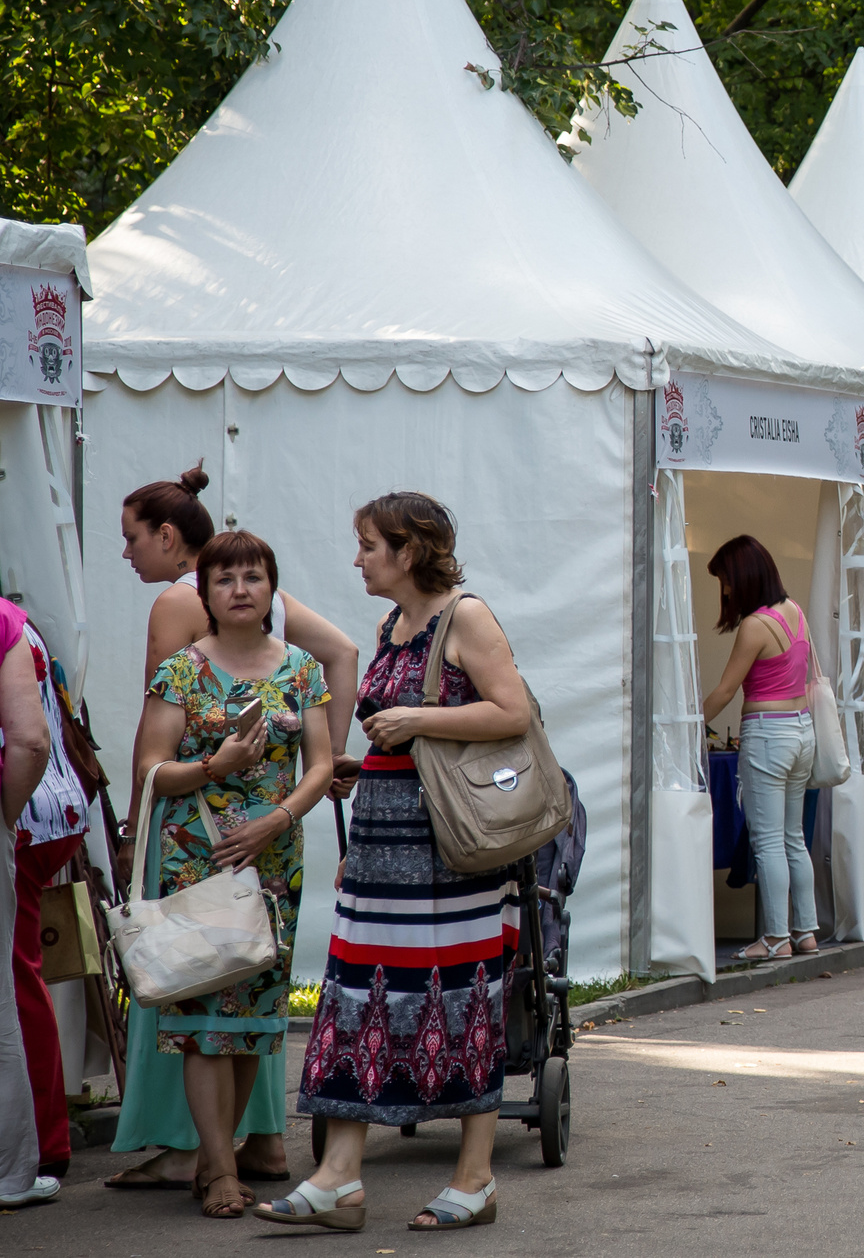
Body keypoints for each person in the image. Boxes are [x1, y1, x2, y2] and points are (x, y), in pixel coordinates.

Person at [263, 493, 535, 1234]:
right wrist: (372, 759)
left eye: (368, 544)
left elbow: (513, 711)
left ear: (408, 551)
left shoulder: (465, 615)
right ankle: (338, 1178)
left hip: (451, 852)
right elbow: (413, 725)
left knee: (460, 1000)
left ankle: (474, 1178)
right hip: (385, 846)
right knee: (356, 995)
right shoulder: (395, 622)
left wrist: (415, 720)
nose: (357, 557)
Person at [105, 466, 360, 1193]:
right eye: (227, 579)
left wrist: (279, 817)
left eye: (255, 578)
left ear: (271, 591)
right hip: (198, 854)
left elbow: (319, 765)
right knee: (202, 1010)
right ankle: (217, 1168)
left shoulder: (303, 671)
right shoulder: (183, 672)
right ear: (206, 594)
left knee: (255, 1015)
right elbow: (155, 768)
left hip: (274, 856)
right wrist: (214, 766)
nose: (241, 589)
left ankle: (239, 1146)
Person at [702, 535, 820, 963]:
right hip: (802, 731)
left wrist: (693, 724)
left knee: (768, 841)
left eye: (727, 581)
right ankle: (804, 930)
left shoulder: (755, 626)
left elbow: (727, 689)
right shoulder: (795, 613)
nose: (726, 591)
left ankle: (774, 938)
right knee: (793, 838)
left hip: (768, 734)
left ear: (744, 576)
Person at [10, 609, 85, 1189]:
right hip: (50, 811)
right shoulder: (18, 618)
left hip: (27, 817)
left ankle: (40, 1136)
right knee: (22, 973)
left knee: (16, 978)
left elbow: (29, 743)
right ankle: (43, 1136)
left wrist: (5, 820)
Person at [1, 598, 61, 1209]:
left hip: (31, 819)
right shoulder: (5, 622)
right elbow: (29, 739)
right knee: (8, 992)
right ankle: (15, 1167)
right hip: (25, 814)